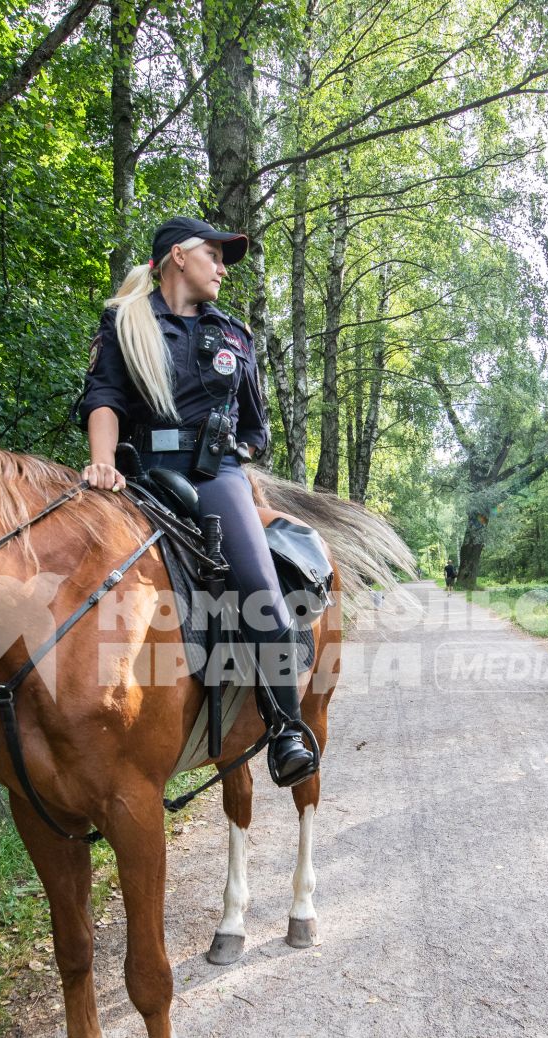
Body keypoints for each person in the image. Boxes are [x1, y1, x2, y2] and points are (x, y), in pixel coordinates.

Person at [76, 215, 318, 787]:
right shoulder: (125, 321)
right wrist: (103, 462)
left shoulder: (235, 335)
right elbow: (104, 398)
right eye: (214, 255)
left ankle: (285, 727)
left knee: (261, 590)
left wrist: (235, 452)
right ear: (178, 257)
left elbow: (257, 428)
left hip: (215, 476)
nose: (222, 268)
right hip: (138, 472)